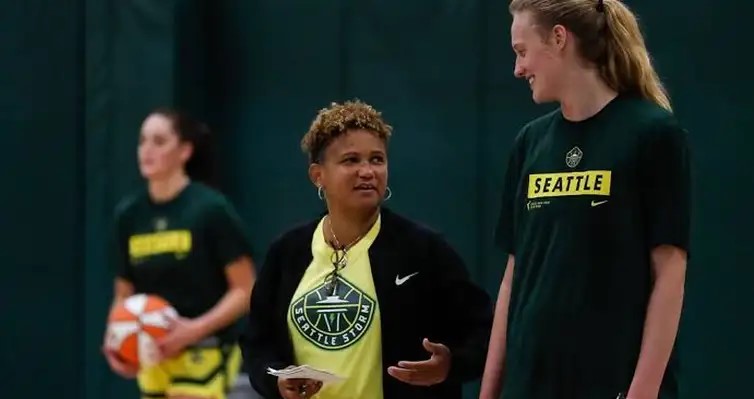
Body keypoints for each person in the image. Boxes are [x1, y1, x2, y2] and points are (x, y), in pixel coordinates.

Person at [479, 1, 691, 399]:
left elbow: (670, 273)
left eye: (522, 51)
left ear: (559, 39)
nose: (518, 69)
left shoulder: (653, 134)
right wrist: (490, 391)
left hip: (611, 382)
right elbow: (514, 278)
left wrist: (642, 392)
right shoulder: (530, 143)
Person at [241, 99, 493, 399]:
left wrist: (450, 365)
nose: (367, 171)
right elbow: (258, 342)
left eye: (377, 159)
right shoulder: (287, 252)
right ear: (317, 175)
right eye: (351, 160)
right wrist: (276, 382)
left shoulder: (424, 250)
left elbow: (484, 331)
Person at [102, 108, 257, 399]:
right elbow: (123, 294)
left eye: (159, 141)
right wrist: (116, 339)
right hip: (154, 357)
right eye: (142, 141)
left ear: (185, 151)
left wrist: (193, 330)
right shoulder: (129, 215)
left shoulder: (210, 210)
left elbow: (246, 290)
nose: (147, 150)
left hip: (207, 354)